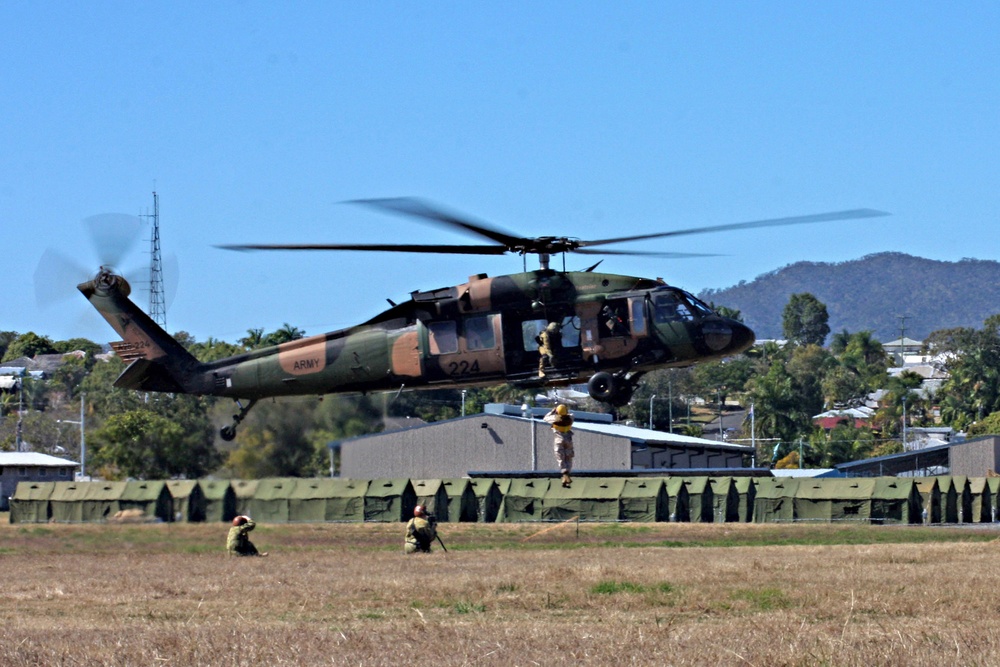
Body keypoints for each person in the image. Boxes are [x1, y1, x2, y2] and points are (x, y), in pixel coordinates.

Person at [544, 404, 575, 487]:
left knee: (560, 457)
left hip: (559, 440)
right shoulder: (570, 418)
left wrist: (553, 411)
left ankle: (564, 474)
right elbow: (571, 414)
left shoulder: (554, 419)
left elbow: (545, 418)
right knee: (568, 457)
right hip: (568, 440)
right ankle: (567, 474)